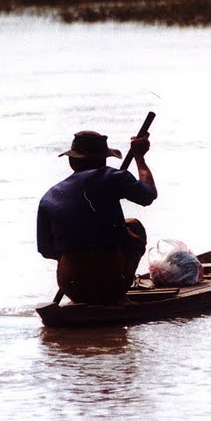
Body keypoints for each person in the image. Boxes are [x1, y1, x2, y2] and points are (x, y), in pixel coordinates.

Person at [37, 129, 157, 304]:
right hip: (111, 283)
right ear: (104, 159)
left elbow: (46, 250)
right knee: (134, 226)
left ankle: (85, 293)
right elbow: (148, 195)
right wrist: (140, 157)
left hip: (71, 286)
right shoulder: (112, 177)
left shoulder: (49, 196)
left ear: (72, 162)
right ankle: (116, 293)